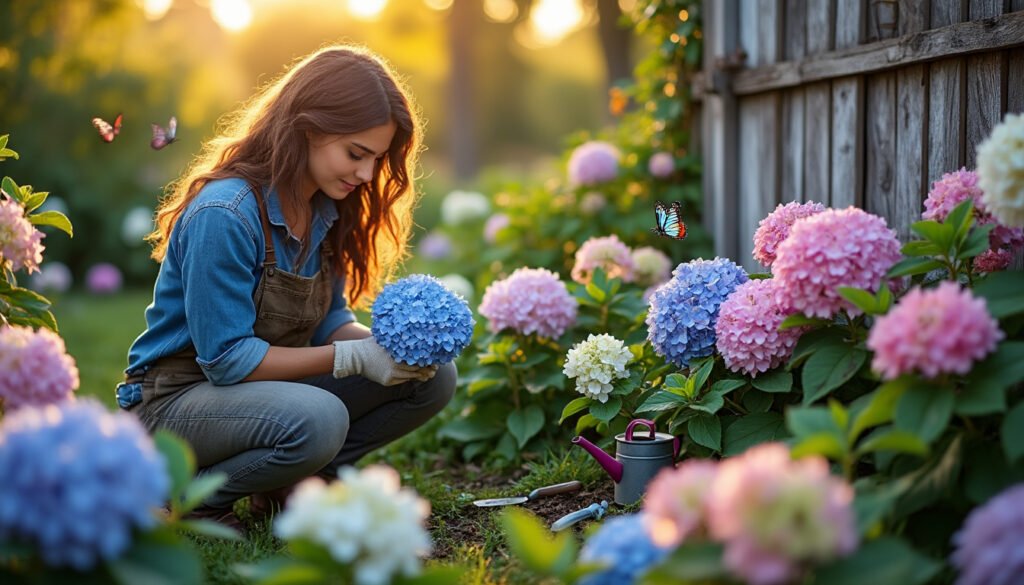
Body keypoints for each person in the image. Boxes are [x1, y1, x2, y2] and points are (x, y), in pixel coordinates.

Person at [116, 46, 456, 530]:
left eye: (375, 159)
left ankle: (297, 483)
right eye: (355, 154)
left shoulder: (326, 208)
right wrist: (355, 360)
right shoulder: (226, 214)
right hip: (176, 402)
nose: (365, 174)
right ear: (309, 128)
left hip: (264, 394)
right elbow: (228, 360)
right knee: (319, 419)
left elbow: (330, 319)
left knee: (435, 376)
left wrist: (391, 349)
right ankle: (190, 495)